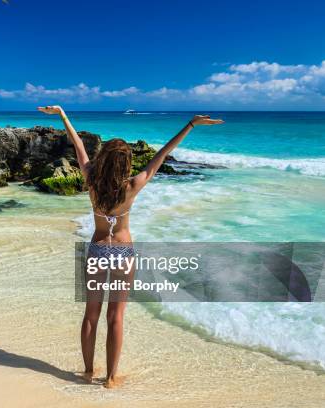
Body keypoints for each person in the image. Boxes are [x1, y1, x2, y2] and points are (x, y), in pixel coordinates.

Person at [38, 105, 224, 388]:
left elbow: (78, 148)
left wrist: (63, 115)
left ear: (103, 160)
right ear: (125, 164)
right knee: (116, 316)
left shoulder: (91, 179)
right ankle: (110, 378)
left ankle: (88, 371)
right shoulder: (132, 186)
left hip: (98, 250)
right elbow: (160, 157)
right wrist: (191, 125)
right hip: (123, 253)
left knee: (91, 314)